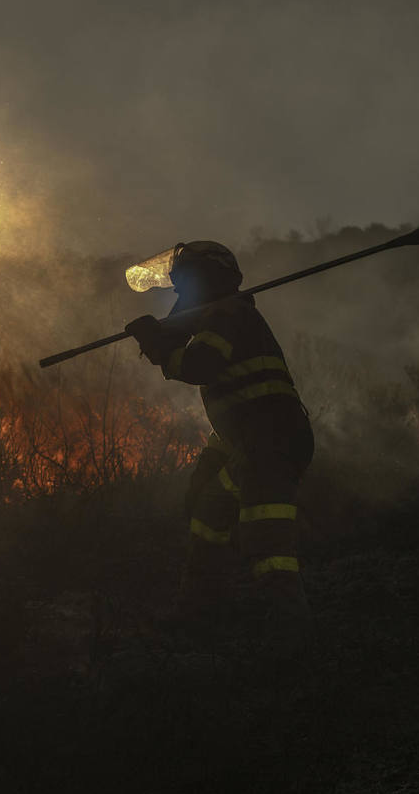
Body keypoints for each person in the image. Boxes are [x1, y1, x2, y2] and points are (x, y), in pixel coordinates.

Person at [124, 241, 314, 637]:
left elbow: (201, 366)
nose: (179, 296)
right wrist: (212, 458)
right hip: (250, 440)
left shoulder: (228, 314)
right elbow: (240, 404)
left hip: (270, 443)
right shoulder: (221, 315)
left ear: (205, 281)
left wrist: (158, 345)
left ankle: (288, 630)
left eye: (184, 286)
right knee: (209, 513)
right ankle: (200, 612)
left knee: (267, 539)